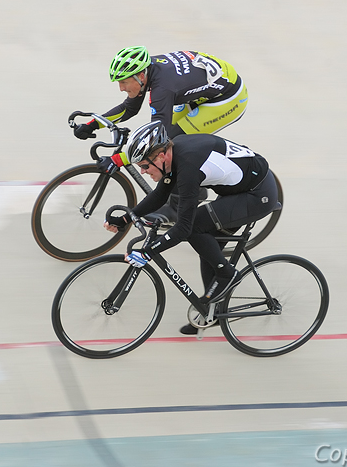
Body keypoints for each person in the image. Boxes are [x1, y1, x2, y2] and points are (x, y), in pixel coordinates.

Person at [101, 121, 279, 335]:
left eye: (145, 166)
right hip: (238, 191)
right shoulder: (174, 152)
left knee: (196, 227)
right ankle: (211, 310)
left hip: (257, 195)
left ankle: (227, 275)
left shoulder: (188, 167)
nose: (143, 171)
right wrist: (126, 219)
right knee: (206, 243)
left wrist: (148, 252)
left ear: (160, 157)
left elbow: (183, 228)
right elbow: (160, 195)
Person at [73, 46, 248, 140]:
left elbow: (157, 134)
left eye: (124, 82)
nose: (121, 88)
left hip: (228, 98)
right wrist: (92, 125)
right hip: (205, 89)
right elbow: (129, 109)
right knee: (167, 138)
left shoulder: (163, 88)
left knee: (171, 142)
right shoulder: (148, 69)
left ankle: (194, 187)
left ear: (141, 76)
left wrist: (120, 160)